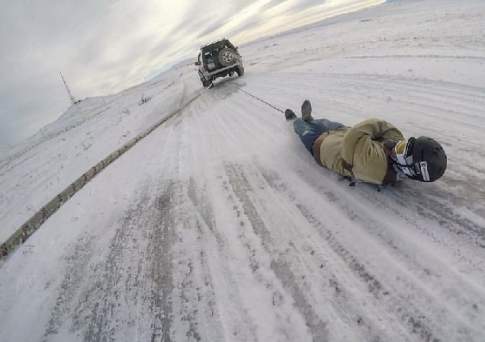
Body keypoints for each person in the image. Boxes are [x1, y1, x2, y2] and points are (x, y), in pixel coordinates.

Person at [285, 100, 447, 185]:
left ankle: (294, 120)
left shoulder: (376, 165)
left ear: (410, 170)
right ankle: (310, 119)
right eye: (404, 145)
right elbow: (389, 131)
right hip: (339, 131)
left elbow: (358, 133)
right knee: (323, 122)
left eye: (403, 150)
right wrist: (394, 141)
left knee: (302, 128)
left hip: (321, 146)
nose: (397, 145)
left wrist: (381, 134)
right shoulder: (397, 161)